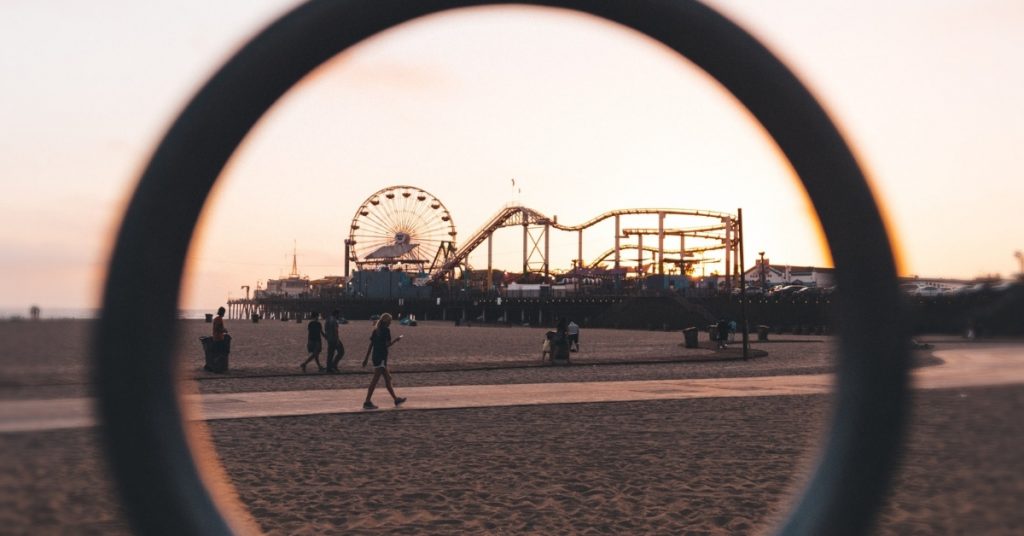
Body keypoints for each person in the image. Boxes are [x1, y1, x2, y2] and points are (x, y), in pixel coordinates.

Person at [361, 313, 406, 410]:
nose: (390, 323)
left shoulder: (376, 330)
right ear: (387, 322)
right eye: (390, 321)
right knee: (375, 380)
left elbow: (371, 345)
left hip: (376, 357)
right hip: (381, 358)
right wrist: (396, 340)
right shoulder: (386, 330)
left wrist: (366, 359)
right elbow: (387, 345)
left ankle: (396, 399)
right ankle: (367, 401)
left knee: (388, 379)